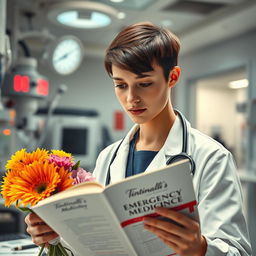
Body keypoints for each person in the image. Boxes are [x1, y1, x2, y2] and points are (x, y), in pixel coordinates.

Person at [25, 22, 252, 255]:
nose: (131, 98)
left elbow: (238, 251)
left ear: (172, 77)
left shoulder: (211, 157)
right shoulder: (109, 157)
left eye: (144, 84)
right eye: (121, 85)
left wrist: (200, 248)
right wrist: (55, 235)